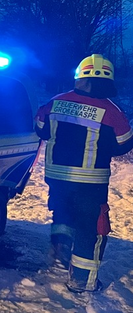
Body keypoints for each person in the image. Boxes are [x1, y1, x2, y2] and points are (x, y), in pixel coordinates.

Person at [35, 54, 133, 293]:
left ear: (79, 77)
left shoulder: (54, 102)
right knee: (91, 229)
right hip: (90, 183)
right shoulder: (111, 111)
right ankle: (82, 281)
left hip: (57, 178)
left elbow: (41, 130)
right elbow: (124, 144)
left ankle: (60, 257)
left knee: (63, 216)